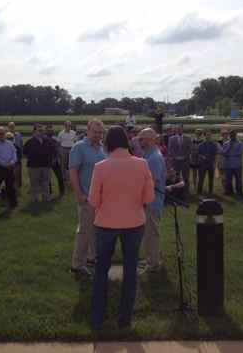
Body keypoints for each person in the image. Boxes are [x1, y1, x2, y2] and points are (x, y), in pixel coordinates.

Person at [89, 126, 154, 330]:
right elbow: (149, 198)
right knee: (130, 270)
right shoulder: (142, 164)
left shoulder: (100, 167)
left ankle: (98, 317)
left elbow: (93, 200)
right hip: (134, 223)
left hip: (106, 223)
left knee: (101, 270)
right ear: (127, 141)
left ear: (108, 142)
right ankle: (125, 319)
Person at [69, 119, 106, 276]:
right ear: (88, 130)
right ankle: (77, 264)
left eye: (100, 132)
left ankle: (92, 257)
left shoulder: (102, 148)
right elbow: (73, 172)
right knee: (84, 230)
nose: (98, 135)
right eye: (95, 132)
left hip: (100, 198)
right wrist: (79, 194)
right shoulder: (79, 148)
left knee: (96, 230)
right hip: (86, 197)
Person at [138, 128, 167, 273]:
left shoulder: (154, 158)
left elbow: (153, 183)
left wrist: (142, 199)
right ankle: (150, 258)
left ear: (150, 139)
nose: (139, 141)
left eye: (141, 139)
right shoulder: (149, 155)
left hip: (152, 202)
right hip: (149, 201)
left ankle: (153, 263)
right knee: (148, 233)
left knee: (152, 233)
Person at [23, 124, 52, 202]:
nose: (41, 132)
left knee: (45, 183)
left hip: (46, 166)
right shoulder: (29, 142)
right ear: (34, 132)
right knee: (34, 184)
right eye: (39, 131)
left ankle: (46, 198)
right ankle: (34, 198)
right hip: (34, 167)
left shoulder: (47, 141)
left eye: (42, 130)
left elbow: (52, 152)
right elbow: (25, 153)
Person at [168, 124, 192, 195]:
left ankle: (186, 191)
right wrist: (175, 157)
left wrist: (185, 156)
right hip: (176, 161)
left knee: (186, 176)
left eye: (180, 128)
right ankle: (176, 191)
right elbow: (170, 149)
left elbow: (189, 149)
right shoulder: (171, 138)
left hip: (185, 160)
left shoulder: (188, 138)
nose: (179, 130)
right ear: (176, 129)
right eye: (177, 129)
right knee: (176, 176)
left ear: (182, 129)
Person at [222, 130, 243, 196]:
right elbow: (224, 153)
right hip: (228, 165)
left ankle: (239, 191)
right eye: (231, 135)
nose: (232, 137)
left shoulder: (240, 143)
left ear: (236, 135)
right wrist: (229, 147)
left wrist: (229, 154)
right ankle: (229, 191)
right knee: (228, 180)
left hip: (237, 165)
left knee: (238, 180)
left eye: (233, 135)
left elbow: (239, 153)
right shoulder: (226, 143)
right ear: (230, 136)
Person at [46, 124, 65, 198]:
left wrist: (57, 158)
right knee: (48, 179)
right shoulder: (44, 140)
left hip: (55, 161)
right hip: (47, 162)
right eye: (48, 131)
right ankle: (49, 193)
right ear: (46, 131)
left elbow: (58, 150)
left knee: (60, 177)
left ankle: (62, 192)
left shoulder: (55, 140)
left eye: (51, 131)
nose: (50, 132)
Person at [197, 129, 218, 195]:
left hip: (210, 164)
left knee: (211, 179)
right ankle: (199, 191)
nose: (208, 136)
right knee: (201, 178)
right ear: (204, 136)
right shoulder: (200, 145)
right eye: (207, 135)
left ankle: (210, 191)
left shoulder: (214, 145)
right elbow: (198, 154)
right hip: (202, 164)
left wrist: (215, 163)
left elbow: (215, 154)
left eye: (209, 135)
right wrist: (202, 157)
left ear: (211, 136)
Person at [8, 122, 23, 189]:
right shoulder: (6, 135)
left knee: (18, 175)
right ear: (8, 127)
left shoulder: (19, 135)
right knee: (10, 175)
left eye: (13, 126)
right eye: (10, 127)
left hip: (18, 157)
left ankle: (17, 189)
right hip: (9, 159)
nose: (12, 128)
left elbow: (21, 145)